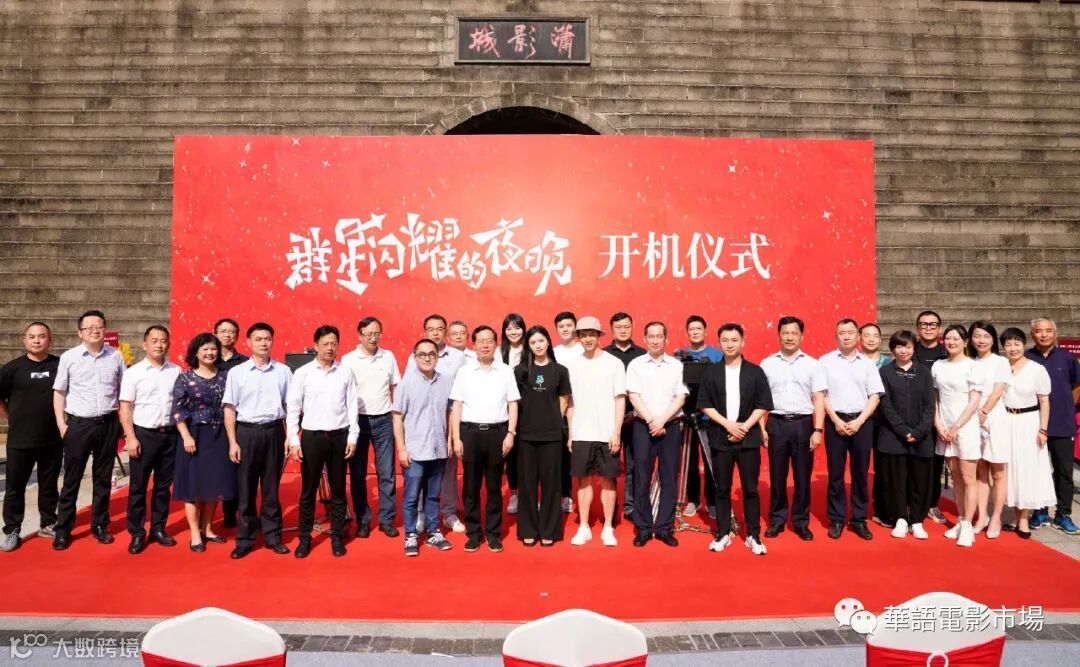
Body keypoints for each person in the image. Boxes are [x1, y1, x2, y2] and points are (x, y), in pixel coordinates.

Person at [52, 310, 125, 551]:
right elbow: (59, 392)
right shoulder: (69, 357)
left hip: (108, 423)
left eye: (99, 326)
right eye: (89, 327)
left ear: (105, 329)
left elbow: (123, 391)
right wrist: (62, 425)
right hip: (79, 425)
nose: (95, 330)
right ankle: (63, 529)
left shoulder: (115, 356)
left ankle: (100, 525)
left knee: (103, 479)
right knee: (71, 479)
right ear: (80, 332)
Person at [697, 323, 772, 555]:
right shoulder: (711, 372)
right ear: (719, 343)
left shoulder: (755, 372)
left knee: (750, 489)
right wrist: (728, 424)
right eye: (725, 340)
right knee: (722, 489)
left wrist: (744, 427)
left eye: (734, 340)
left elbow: (763, 404)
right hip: (721, 438)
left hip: (748, 439)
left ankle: (753, 535)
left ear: (742, 342)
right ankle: (722, 534)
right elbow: (704, 404)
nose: (730, 344)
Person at [286, 325, 358, 558]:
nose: (330, 348)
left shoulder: (345, 372)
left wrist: (353, 436)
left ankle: (337, 535)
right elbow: (293, 408)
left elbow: (352, 406)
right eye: (325, 344)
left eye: (333, 343)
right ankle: (305, 537)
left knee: (338, 489)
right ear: (315, 345)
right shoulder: (303, 373)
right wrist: (293, 440)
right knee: (308, 490)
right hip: (312, 437)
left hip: (339, 437)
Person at [222, 322, 292, 559]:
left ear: (273, 341)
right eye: (258, 339)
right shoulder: (237, 373)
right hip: (246, 433)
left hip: (274, 432)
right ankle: (245, 539)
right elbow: (229, 409)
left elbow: (290, 406)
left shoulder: (283, 371)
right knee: (246, 489)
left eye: (267, 339)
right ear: (248, 342)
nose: (263, 343)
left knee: (271, 489)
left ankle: (273, 536)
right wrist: (233, 442)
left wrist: (290, 436)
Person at [450, 325, 520, 553]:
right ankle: (473, 533)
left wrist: (510, 433)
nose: (485, 345)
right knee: (470, 486)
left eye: (490, 340)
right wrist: (457, 437)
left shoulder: (505, 371)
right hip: (469, 433)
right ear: (474, 344)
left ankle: (493, 533)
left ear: (496, 343)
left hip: (497, 434)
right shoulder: (465, 372)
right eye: (481, 341)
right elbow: (457, 405)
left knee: (493, 486)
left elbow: (513, 403)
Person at [760, 316, 826, 541]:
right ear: (779, 335)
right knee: (777, 476)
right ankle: (777, 520)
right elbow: (760, 400)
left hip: (803, 424)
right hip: (776, 423)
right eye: (785, 333)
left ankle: (800, 521)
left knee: (802, 476)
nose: (790, 337)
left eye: (794, 333)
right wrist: (762, 429)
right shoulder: (767, 364)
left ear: (801, 336)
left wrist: (818, 430)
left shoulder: (813, 365)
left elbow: (818, 398)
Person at [0, 322, 62, 552]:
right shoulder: (12, 369)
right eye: (32, 336)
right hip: (20, 440)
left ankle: (48, 523)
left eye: (42, 336)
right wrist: (12, 416)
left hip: (52, 439)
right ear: (24, 340)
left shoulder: (59, 365)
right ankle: (12, 530)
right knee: (15, 488)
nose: (37, 340)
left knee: (49, 486)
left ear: (50, 339)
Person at [171, 333, 236, 553]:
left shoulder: (226, 376)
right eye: (205, 349)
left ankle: (208, 528)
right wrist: (186, 436)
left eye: (213, 349)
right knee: (193, 485)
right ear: (196, 352)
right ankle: (195, 533)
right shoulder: (185, 378)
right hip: (194, 436)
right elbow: (177, 410)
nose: (210, 353)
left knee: (213, 484)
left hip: (220, 435)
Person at [565, 316, 626, 547]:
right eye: (583, 335)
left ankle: (608, 527)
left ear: (599, 336)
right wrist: (571, 433)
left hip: (607, 433)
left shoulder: (614, 363)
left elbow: (620, 399)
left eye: (592, 334)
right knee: (583, 481)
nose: (588, 338)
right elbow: (570, 402)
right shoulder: (572, 365)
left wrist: (616, 431)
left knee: (609, 480)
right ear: (578, 337)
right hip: (582, 432)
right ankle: (584, 526)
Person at [821, 318, 884, 541]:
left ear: (858, 336)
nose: (846, 336)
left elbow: (875, 395)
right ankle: (837, 519)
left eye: (850, 332)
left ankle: (859, 519)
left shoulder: (867, 363)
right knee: (835, 473)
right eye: (842, 332)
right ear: (836, 336)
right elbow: (821, 395)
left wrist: (859, 421)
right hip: (834, 422)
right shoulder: (825, 361)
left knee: (860, 473)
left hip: (862, 423)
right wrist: (836, 420)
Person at [119, 326, 181, 554]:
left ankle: (158, 528)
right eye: (154, 340)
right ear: (145, 344)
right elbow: (125, 407)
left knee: (163, 487)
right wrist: (130, 437)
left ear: (168, 344)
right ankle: (137, 533)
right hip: (143, 435)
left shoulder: (176, 371)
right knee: (138, 487)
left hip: (170, 435)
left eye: (163, 341)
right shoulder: (134, 373)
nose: (159, 345)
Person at [626, 322, 687, 547]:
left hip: (670, 425)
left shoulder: (676, 365)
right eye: (651, 336)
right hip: (643, 426)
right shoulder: (636, 364)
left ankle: (664, 528)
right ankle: (643, 527)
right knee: (641, 476)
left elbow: (681, 396)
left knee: (669, 477)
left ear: (665, 339)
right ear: (644, 339)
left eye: (659, 336)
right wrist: (652, 420)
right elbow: (633, 395)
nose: (655, 340)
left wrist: (662, 420)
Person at [342, 316, 402, 539]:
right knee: (358, 474)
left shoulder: (388, 357)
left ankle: (386, 519)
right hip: (357, 421)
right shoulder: (348, 360)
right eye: (369, 334)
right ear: (360, 336)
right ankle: (363, 520)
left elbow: (396, 386)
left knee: (387, 473)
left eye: (377, 333)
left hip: (384, 420)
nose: (373, 338)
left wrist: (397, 414)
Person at [393, 338, 454, 557]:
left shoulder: (446, 381)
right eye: (422, 354)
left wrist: (450, 439)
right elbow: (397, 417)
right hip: (415, 451)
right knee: (411, 497)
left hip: (438, 449)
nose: (427, 358)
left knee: (433, 496)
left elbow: (450, 411)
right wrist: (401, 449)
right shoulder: (406, 384)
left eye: (431, 354)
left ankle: (433, 532)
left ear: (437, 357)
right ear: (415, 357)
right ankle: (410, 534)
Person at [408, 314, 466, 534]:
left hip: (448, 419)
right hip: (422, 420)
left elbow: (463, 389)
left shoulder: (458, 357)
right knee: (422, 468)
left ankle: (449, 512)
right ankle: (421, 513)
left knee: (449, 468)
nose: (435, 333)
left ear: (445, 332)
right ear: (425, 331)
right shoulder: (414, 357)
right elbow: (409, 389)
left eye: (440, 329)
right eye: (431, 329)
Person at [514, 326, 572, 546]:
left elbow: (564, 400)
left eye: (541, 341)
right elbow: (514, 402)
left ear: (548, 342)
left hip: (552, 435)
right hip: (526, 435)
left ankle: (549, 530)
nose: (537, 345)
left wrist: (553, 420)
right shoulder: (520, 371)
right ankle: (528, 528)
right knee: (527, 484)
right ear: (528, 346)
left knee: (551, 485)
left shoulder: (560, 370)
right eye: (533, 342)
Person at [876, 330, 936, 540]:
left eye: (908, 346)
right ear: (893, 349)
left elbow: (930, 405)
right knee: (896, 480)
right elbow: (885, 404)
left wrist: (918, 431)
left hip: (921, 436)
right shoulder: (885, 371)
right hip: (893, 436)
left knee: (919, 480)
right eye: (899, 346)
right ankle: (900, 517)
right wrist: (903, 430)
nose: (903, 350)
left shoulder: (924, 372)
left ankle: (917, 520)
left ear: (914, 348)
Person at [1024, 318, 1080, 535]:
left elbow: (1076, 385)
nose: (1044, 335)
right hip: (1033, 423)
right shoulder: (1026, 358)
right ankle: (1039, 511)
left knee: (1064, 471)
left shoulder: (1067, 358)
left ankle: (1063, 514)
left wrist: (1066, 404)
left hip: (1062, 423)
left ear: (1055, 334)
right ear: (1032, 334)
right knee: (1038, 470)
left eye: (1048, 331)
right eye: (1039, 331)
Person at [1000, 327, 1055, 539]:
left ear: (1024, 345)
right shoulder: (1001, 367)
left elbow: (1044, 401)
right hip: (1006, 421)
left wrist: (1043, 429)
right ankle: (1015, 516)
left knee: (1026, 469)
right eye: (1008, 344)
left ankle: (1023, 518)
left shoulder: (1036, 369)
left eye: (1017, 343)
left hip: (1029, 422)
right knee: (1010, 469)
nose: (1013, 348)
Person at [932, 324, 984, 548]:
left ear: (965, 342)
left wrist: (956, 427)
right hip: (944, 428)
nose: (951, 342)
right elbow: (935, 399)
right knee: (955, 477)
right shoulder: (938, 365)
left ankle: (968, 526)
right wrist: (939, 425)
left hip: (965, 427)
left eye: (956, 339)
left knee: (968, 477)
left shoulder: (973, 366)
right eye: (948, 339)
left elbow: (974, 402)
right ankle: (962, 520)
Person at [968, 321, 1010, 539]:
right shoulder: (969, 362)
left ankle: (996, 517)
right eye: (977, 336)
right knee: (980, 470)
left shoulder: (1000, 362)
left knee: (998, 471)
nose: (981, 340)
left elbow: (997, 391)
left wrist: (983, 412)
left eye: (986, 336)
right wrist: (974, 415)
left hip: (994, 418)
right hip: (972, 418)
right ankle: (982, 515)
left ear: (993, 339)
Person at [678, 315, 721, 520]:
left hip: (710, 418)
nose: (695, 332)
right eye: (691, 329)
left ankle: (712, 501)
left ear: (705, 331)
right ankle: (693, 499)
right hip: (686, 416)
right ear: (687, 332)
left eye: (698, 328)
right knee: (690, 460)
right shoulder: (679, 356)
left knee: (712, 459)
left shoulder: (717, 356)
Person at [604, 312, 646, 521]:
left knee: (633, 465)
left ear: (632, 327)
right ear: (612, 329)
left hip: (635, 419)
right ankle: (611, 507)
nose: (623, 330)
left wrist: (634, 412)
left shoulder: (642, 355)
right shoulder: (603, 355)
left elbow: (647, 389)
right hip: (608, 420)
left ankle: (630, 506)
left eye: (626, 326)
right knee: (609, 466)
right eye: (618, 327)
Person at [914, 310, 948, 525]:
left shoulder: (947, 352)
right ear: (917, 328)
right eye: (924, 324)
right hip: (914, 416)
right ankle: (912, 502)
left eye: (932, 324)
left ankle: (932, 503)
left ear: (940, 329)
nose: (928, 328)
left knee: (936, 463)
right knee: (914, 462)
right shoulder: (910, 350)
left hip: (941, 416)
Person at [214, 318, 247, 528]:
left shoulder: (244, 362)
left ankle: (231, 511)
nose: (227, 335)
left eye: (231, 332)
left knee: (234, 468)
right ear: (215, 333)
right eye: (223, 331)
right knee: (212, 469)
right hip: (211, 422)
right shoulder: (207, 357)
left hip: (236, 422)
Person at [860, 322, 890, 527]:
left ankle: (882, 508)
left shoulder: (889, 363)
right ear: (860, 339)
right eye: (867, 335)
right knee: (860, 467)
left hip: (885, 422)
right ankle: (859, 510)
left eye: (875, 336)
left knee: (883, 467)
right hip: (860, 420)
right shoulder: (854, 361)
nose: (871, 339)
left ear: (880, 339)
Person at [552, 311, 582, 514]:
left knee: (579, 456)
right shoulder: (554, 352)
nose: (565, 329)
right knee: (561, 456)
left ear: (575, 327)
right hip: (561, 410)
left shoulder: (583, 349)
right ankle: (565, 496)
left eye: (569, 325)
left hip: (583, 408)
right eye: (561, 326)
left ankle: (581, 496)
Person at [500, 313, 526, 516]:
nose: (513, 332)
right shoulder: (499, 353)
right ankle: (515, 494)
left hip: (528, 409)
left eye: (517, 328)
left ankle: (529, 494)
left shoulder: (531, 349)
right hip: (504, 409)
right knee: (511, 455)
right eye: (509, 328)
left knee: (529, 454)